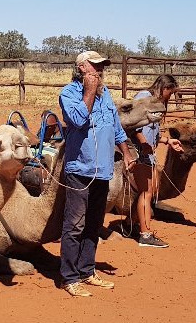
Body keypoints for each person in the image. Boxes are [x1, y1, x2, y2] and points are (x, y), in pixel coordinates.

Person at [57, 50, 137, 298]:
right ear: (82, 68)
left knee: (93, 224)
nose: (100, 71)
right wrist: (89, 91)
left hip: (102, 170)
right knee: (75, 225)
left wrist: (126, 152)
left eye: (102, 67)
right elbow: (78, 120)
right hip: (80, 169)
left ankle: (87, 270)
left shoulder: (106, 95)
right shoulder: (68, 94)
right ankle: (69, 278)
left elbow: (115, 126)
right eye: (95, 66)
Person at [129, 74, 183, 248]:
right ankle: (145, 235)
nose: (170, 97)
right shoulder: (144, 97)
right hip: (138, 153)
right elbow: (131, 124)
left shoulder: (156, 103)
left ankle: (129, 225)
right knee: (146, 192)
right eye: (170, 92)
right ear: (164, 87)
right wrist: (144, 143)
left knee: (149, 191)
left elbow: (153, 132)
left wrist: (167, 141)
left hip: (147, 154)